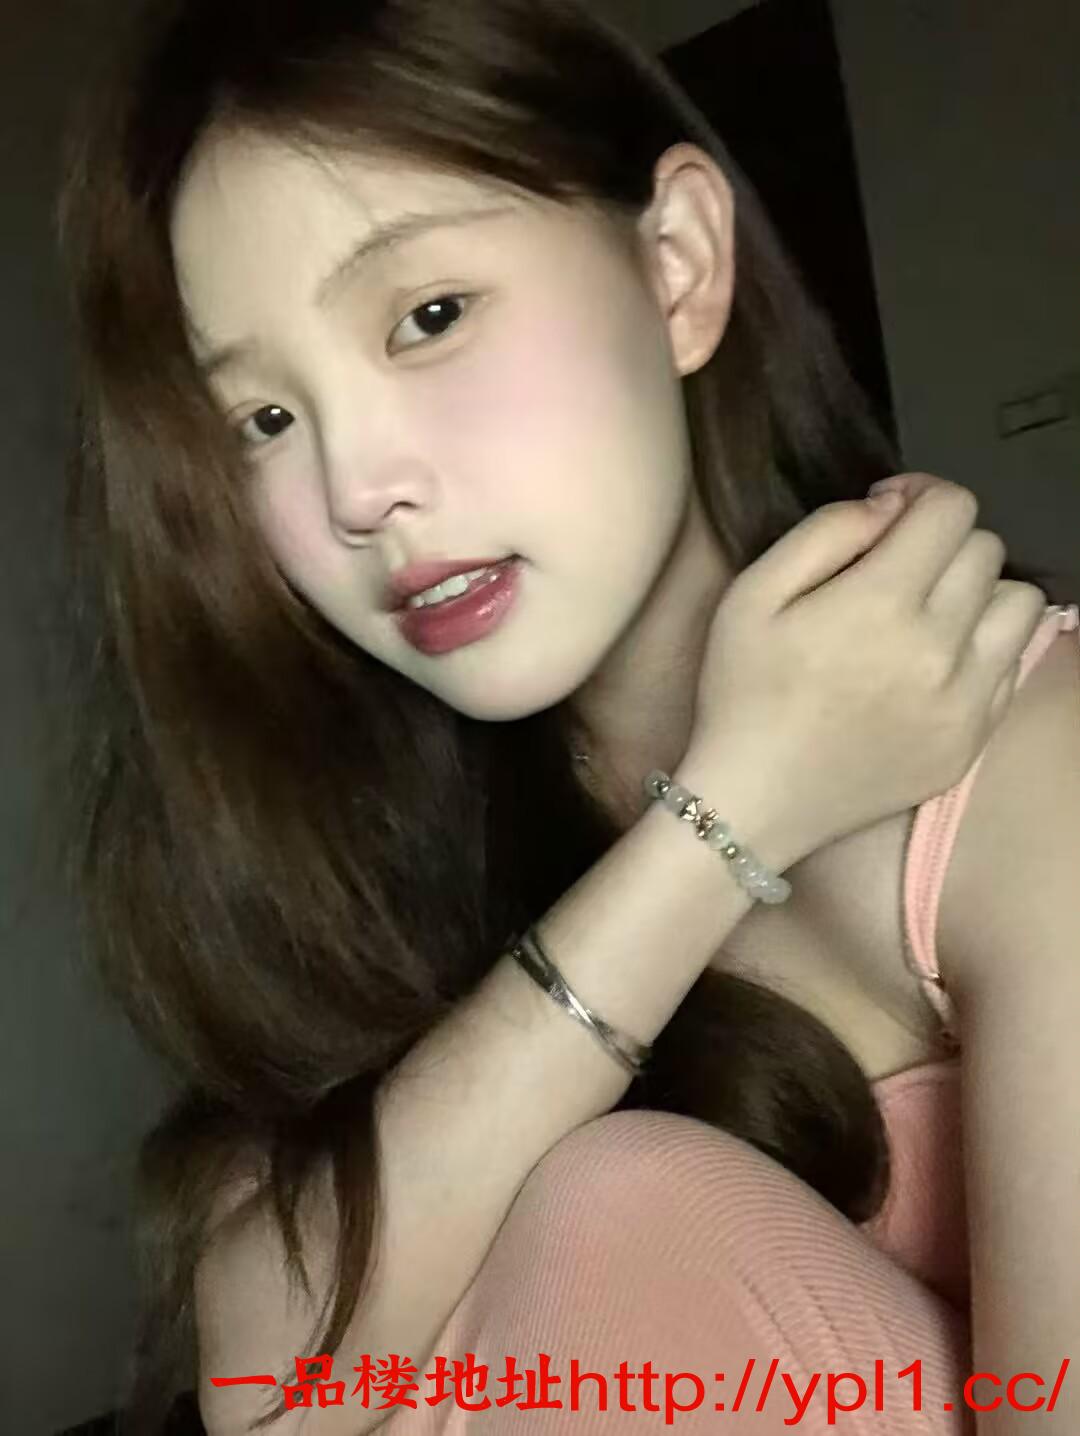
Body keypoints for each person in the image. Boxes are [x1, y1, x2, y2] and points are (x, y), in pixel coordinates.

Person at [48, 1, 1080, 1433]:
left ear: (677, 266)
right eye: (261, 422)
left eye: (428, 316)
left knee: (610, 1203)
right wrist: (729, 817)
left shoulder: (1032, 759)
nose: (358, 490)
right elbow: (266, 1387)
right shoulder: (365, 861)